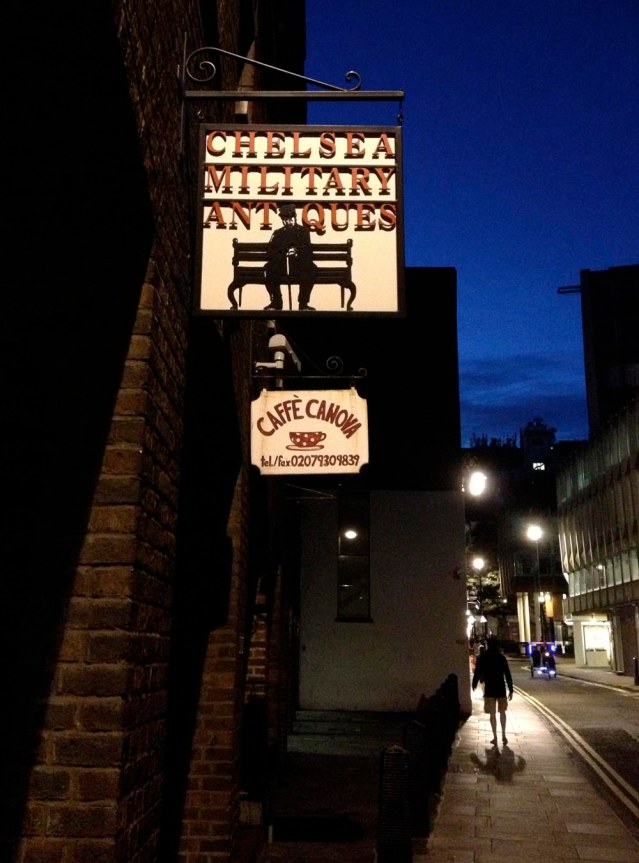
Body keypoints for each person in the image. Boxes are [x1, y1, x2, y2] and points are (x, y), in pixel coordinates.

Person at [263, 203, 318, 311]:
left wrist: (297, 251)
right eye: (285, 218)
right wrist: (282, 252)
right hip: (282, 265)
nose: (287, 221)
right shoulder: (278, 233)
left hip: (298, 265)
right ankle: (276, 302)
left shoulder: (303, 231)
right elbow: (270, 251)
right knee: (269, 268)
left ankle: (303, 303)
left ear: (294, 217)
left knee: (311, 268)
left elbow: (308, 250)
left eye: (290, 217)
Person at [472, 636, 513, 746]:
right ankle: (504, 735)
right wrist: (511, 689)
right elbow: (507, 674)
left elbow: (478, 671)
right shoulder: (501, 658)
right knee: (502, 712)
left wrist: (474, 683)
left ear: (488, 645)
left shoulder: (484, 657)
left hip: (490, 687)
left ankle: (495, 737)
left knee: (492, 714)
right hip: (500, 688)